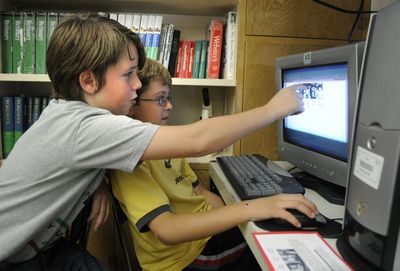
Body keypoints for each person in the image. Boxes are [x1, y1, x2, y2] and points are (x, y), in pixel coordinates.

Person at [0, 13, 314, 270]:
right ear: (88, 81)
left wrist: (99, 185)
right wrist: (273, 109)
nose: (138, 84)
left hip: (37, 248)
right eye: (128, 75)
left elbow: (64, 158)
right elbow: (198, 139)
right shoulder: (88, 128)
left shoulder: (64, 114)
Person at [110, 59, 318, 271]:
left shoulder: (168, 144)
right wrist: (249, 209)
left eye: (168, 98)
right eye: (160, 100)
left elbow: (199, 192)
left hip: (203, 240)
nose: (170, 105)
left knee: (267, 226)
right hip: (185, 258)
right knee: (279, 246)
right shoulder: (130, 162)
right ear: (132, 106)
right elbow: (167, 230)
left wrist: (238, 218)